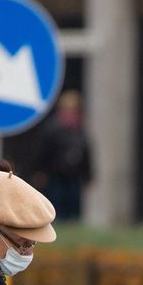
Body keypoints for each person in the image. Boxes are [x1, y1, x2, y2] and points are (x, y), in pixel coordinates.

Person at [38, 90, 93, 221]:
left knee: (73, 203)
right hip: (56, 174)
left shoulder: (79, 128)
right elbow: (44, 151)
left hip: (74, 174)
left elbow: (86, 152)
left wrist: (88, 175)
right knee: (57, 202)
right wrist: (41, 171)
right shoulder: (52, 128)